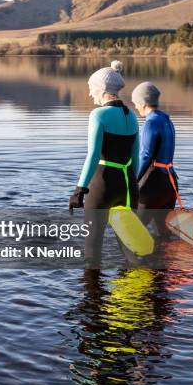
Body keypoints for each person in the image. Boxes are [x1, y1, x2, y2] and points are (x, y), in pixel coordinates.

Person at [69, 61, 140, 268]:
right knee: (130, 249)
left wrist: (79, 189)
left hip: (103, 186)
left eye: (92, 89)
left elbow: (92, 155)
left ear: (102, 89)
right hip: (128, 187)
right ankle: (135, 294)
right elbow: (134, 159)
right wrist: (131, 186)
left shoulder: (98, 115)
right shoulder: (133, 116)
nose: (91, 94)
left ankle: (93, 297)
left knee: (93, 248)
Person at [132, 82, 179, 240]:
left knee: (135, 233)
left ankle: (134, 264)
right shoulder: (167, 120)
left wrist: (133, 181)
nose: (136, 107)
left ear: (143, 102)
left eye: (136, 103)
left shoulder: (150, 122)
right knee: (164, 235)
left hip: (153, 186)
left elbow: (145, 155)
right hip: (170, 184)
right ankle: (165, 263)